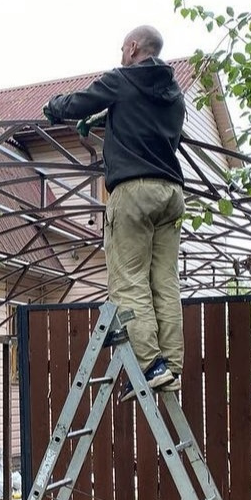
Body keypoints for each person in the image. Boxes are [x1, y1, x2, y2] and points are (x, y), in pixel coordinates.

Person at [43, 25, 187, 392]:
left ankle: (151, 366)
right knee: (165, 281)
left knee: (129, 280)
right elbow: (150, 128)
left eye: (123, 48)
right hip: (172, 193)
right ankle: (171, 365)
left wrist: (53, 108)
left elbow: (79, 102)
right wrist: (106, 120)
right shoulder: (175, 96)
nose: (121, 54)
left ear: (133, 47)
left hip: (134, 192)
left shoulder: (122, 79)